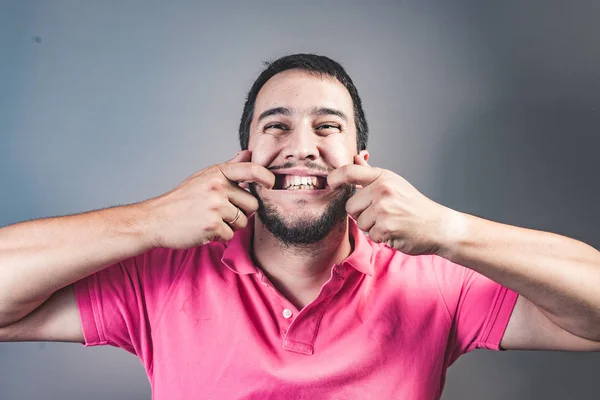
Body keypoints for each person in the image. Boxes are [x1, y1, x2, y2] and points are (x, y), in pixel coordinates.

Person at [0, 53, 599, 399]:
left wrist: (450, 230)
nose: (302, 147)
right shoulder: (164, 276)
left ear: (362, 164)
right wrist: (151, 220)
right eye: (277, 126)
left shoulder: (434, 279)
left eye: (328, 127)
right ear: (243, 160)